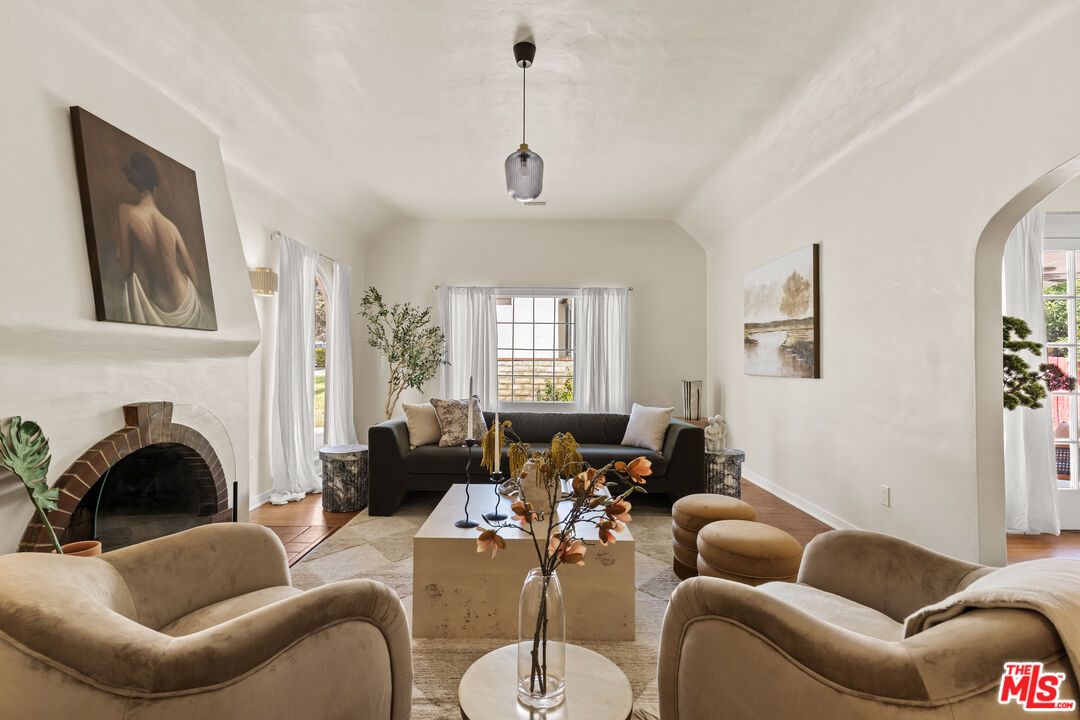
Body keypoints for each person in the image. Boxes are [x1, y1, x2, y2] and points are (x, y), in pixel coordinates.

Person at [116, 151, 209, 328]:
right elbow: (194, 278)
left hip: (159, 303)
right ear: (155, 187)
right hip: (187, 301)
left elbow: (126, 269)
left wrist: (121, 252)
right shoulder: (171, 226)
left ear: (133, 182)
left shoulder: (126, 212)